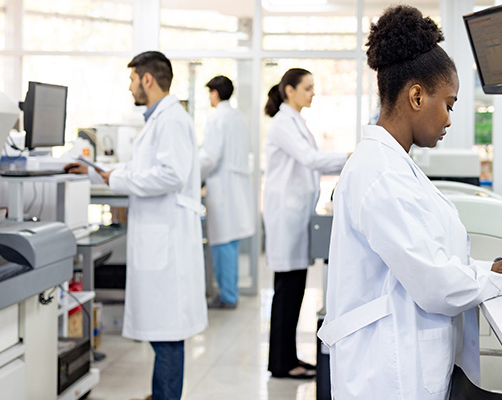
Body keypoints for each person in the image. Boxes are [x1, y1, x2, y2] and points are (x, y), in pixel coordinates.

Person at [317, 6, 502, 399]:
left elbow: (426, 258)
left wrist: (487, 268)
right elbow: (436, 286)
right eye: (449, 103)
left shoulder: (392, 165)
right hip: (387, 379)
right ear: (415, 95)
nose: (448, 119)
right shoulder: (381, 174)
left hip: (399, 364)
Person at [65, 51, 206, 400]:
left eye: (132, 79)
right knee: (164, 332)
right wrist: (102, 171)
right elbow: (145, 168)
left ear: (147, 79)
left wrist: (116, 179)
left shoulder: (171, 119)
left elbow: (169, 175)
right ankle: (161, 394)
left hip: (167, 237)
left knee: (167, 334)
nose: (130, 87)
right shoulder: (161, 119)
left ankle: (165, 397)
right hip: (162, 233)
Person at [263, 68, 350, 379]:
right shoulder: (282, 123)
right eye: (308, 88)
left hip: (296, 214)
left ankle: (287, 359)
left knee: (293, 289)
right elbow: (311, 159)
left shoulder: (295, 120)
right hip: (286, 216)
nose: (313, 93)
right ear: (289, 90)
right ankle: (282, 363)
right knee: (287, 291)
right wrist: (352, 156)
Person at [200, 75, 255, 309]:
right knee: (229, 243)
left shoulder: (216, 119)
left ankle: (227, 296)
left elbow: (210, 157)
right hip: (237, 187)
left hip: (222, 188)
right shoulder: (239, 118)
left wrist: (193, 176)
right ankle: (229, 293)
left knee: (222, 243)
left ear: (214, 93)